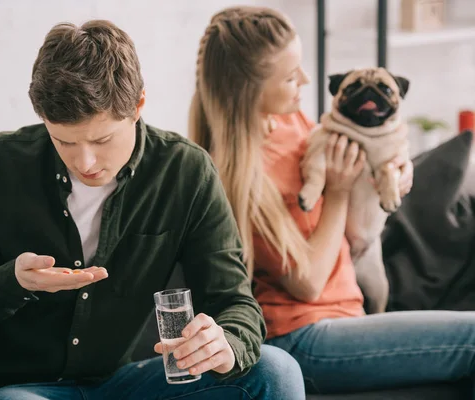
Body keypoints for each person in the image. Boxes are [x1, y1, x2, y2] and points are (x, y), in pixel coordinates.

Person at [0, 19, 305, 400]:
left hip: (120, 382)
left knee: (276, 370)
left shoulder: (185, 172)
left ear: (137, 106)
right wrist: (12, 282)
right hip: (14, 386)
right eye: (63, 142)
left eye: (102, 139)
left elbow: (234, 302)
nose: (85, 162)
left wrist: (226, 343)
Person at [190, 5, 475, 395]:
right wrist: (338, 191)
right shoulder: (238, 174)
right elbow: (306, 285)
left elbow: (360, 175)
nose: (306, 80)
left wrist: (394, 170)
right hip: (301, 335)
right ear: (250, 89)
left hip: (349, 310)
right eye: (291, 77)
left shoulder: (291, 122)